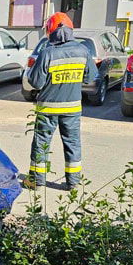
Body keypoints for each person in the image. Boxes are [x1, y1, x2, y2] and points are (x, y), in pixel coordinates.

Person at [24, 12, 98, 191]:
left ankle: (36, 181)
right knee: (72, 143)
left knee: (41, 143)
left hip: (47, 108)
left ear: (52, 31)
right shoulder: (83, 51)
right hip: (72, 108)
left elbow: (35, 82)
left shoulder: (47, 53)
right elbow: (91, 77)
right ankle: (73, 182)